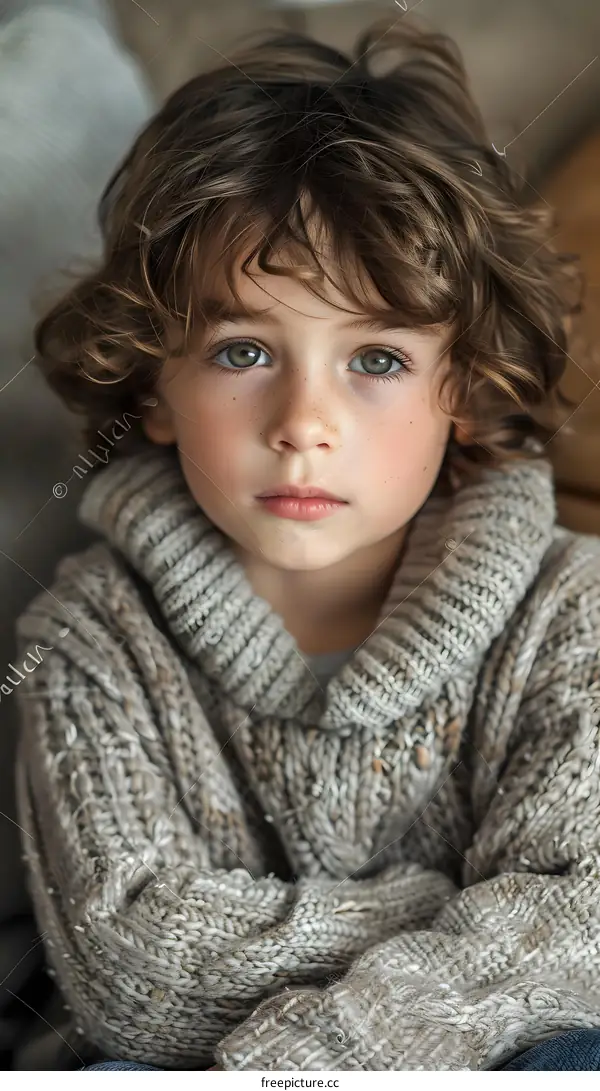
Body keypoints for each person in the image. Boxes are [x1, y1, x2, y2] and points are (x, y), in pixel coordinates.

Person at [13, 14, 600, 1073]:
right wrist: (461, 908)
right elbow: (134, 970)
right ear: (153, 386)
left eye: (376, 360)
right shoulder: (89, 641)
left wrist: (334, 1045)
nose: (303, 424)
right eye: (244, 350)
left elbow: (582, 921)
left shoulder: (572, 610)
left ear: (467, 390)